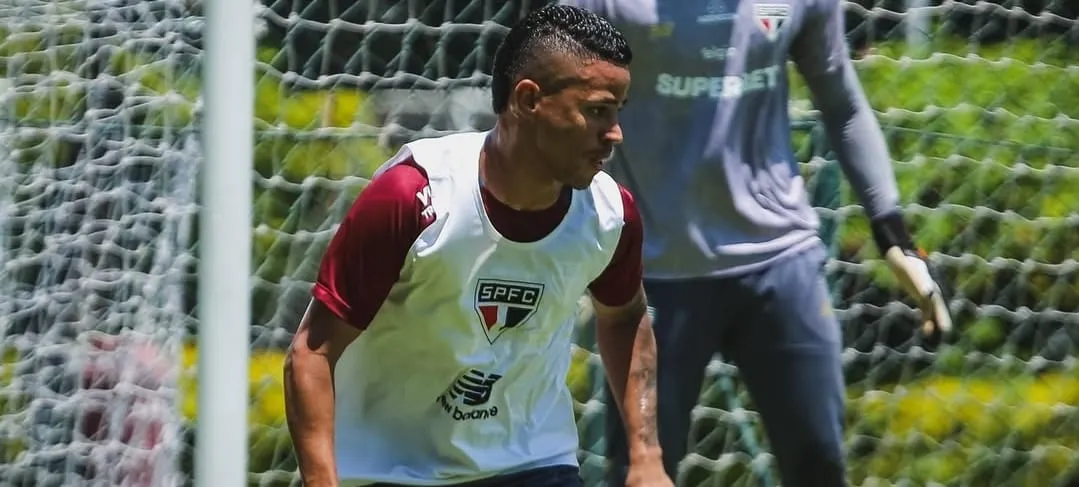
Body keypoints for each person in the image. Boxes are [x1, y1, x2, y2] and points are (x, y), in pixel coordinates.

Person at [558, 0, 953, 486]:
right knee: (642, 474)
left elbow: (842, 103)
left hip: (782, 263)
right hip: (655, 277)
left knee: (820, 466)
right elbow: (551, 104)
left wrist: (893, 232)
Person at [283, 5, 676, 487]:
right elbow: (311, 354)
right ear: (529, 99)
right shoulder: (414, 198)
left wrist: (646, 455)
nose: (614, 133)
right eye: (597, 110)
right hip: (392, 470)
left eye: (617, 112)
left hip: (531, 462)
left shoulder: (611, 215)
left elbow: (624, 316)